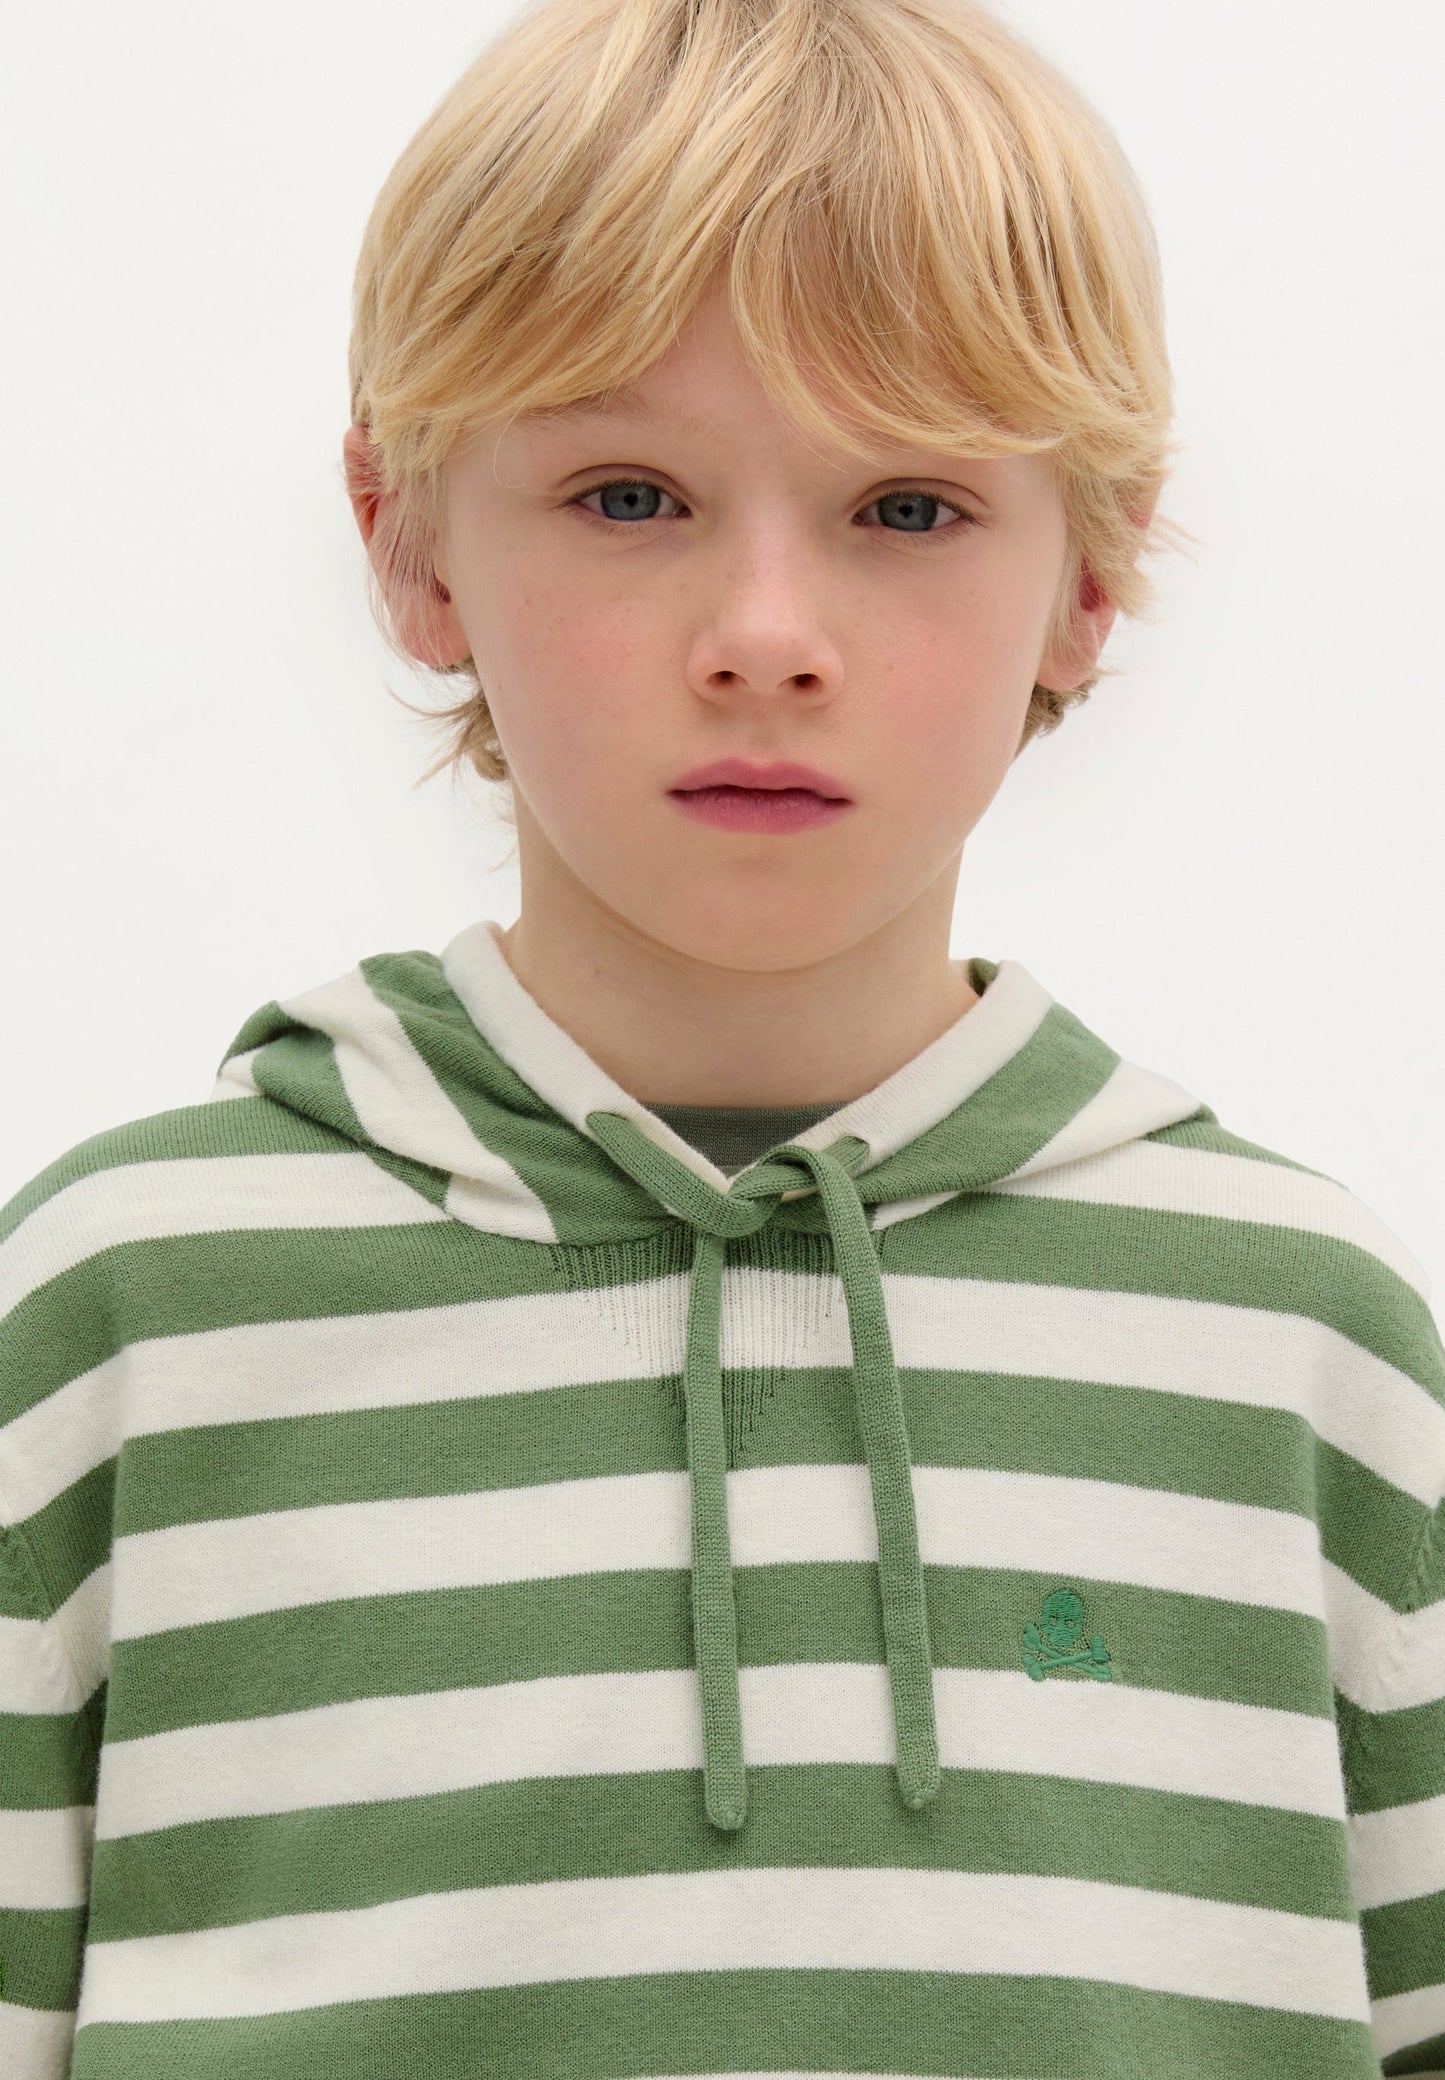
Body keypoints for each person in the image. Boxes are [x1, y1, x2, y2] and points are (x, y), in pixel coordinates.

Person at [1, 0, 1441, 2073]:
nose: (766, 634)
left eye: (908, 508)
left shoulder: (1304, 1351)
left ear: (1091, 575)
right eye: (628, 493)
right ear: (408, 542)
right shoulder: (119, 1320)